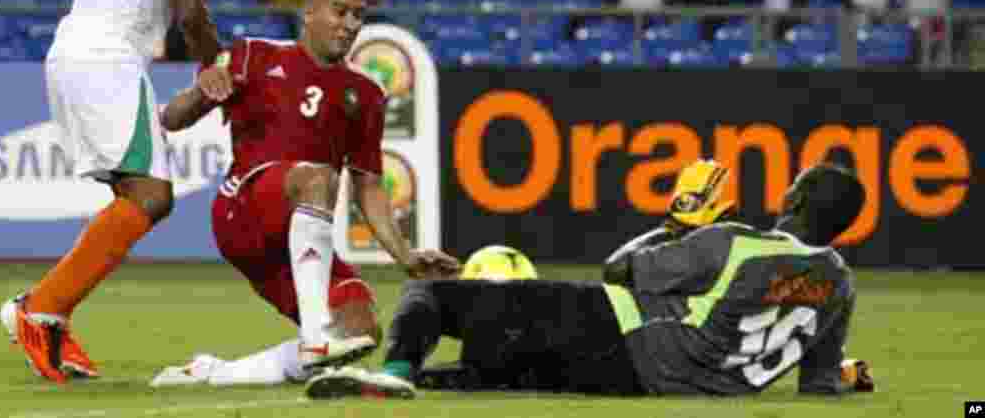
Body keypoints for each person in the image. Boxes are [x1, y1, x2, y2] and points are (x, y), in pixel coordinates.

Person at [0, 0, 257, 384]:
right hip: (107, 57)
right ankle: (40, 309)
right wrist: (212, 64)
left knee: (137, 195)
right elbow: (188, 10)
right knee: (150, 196)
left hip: (78, 47)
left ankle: (46, 311)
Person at [303, 160, 875, 399]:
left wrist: (678, 224)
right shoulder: (840, 285)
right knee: (501, 372)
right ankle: (424, 384)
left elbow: (619, 269)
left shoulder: (735, 242)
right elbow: (819, 384)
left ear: (794, 199)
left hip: (618, 331)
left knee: (434, 293)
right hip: (644, 385)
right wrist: (848, 375)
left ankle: (394, 374)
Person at [149, 0, 460, 387]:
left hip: (300, 232)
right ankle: (315, 338)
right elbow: (172, 119)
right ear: (309, 12)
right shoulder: (253, 55)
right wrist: (201, 89)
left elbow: (368, 186)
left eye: (358, 15)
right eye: (340, 11)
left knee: (358, 332)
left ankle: (214, 372)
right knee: (317, 178)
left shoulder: (366, 93)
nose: (350, 24)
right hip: (243, 212)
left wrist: (405, 256)